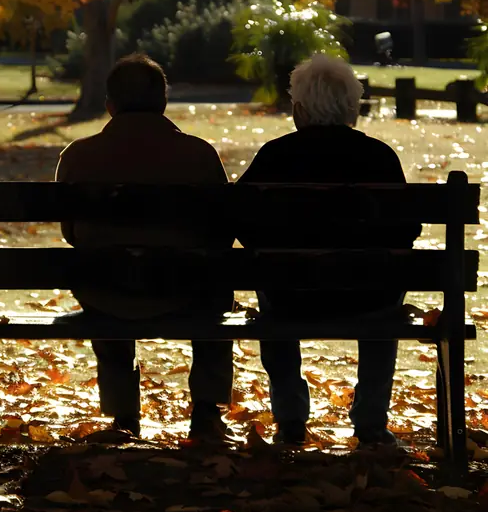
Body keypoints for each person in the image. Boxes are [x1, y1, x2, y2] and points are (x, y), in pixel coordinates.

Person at [238, 54, 421, 446]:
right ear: (352, 109)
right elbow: (407, 230)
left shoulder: (275, 155)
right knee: (385, 281)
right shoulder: (380, 157)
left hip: (291, 298)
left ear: (299, 110)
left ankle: (290, 420)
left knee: (269, 280)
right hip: (369, 298)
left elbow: (237, 218)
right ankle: (371, 420)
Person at [55, 53, 233, 440]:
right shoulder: (199, 155)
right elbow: (222, 233)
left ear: (109, 106)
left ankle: (123, 414)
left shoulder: (77, 156)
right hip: (186, 291)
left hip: (106, 292)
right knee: (216, 279)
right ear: (164, 103)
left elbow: (72, 234)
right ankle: (206, 409)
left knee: (101, 268)